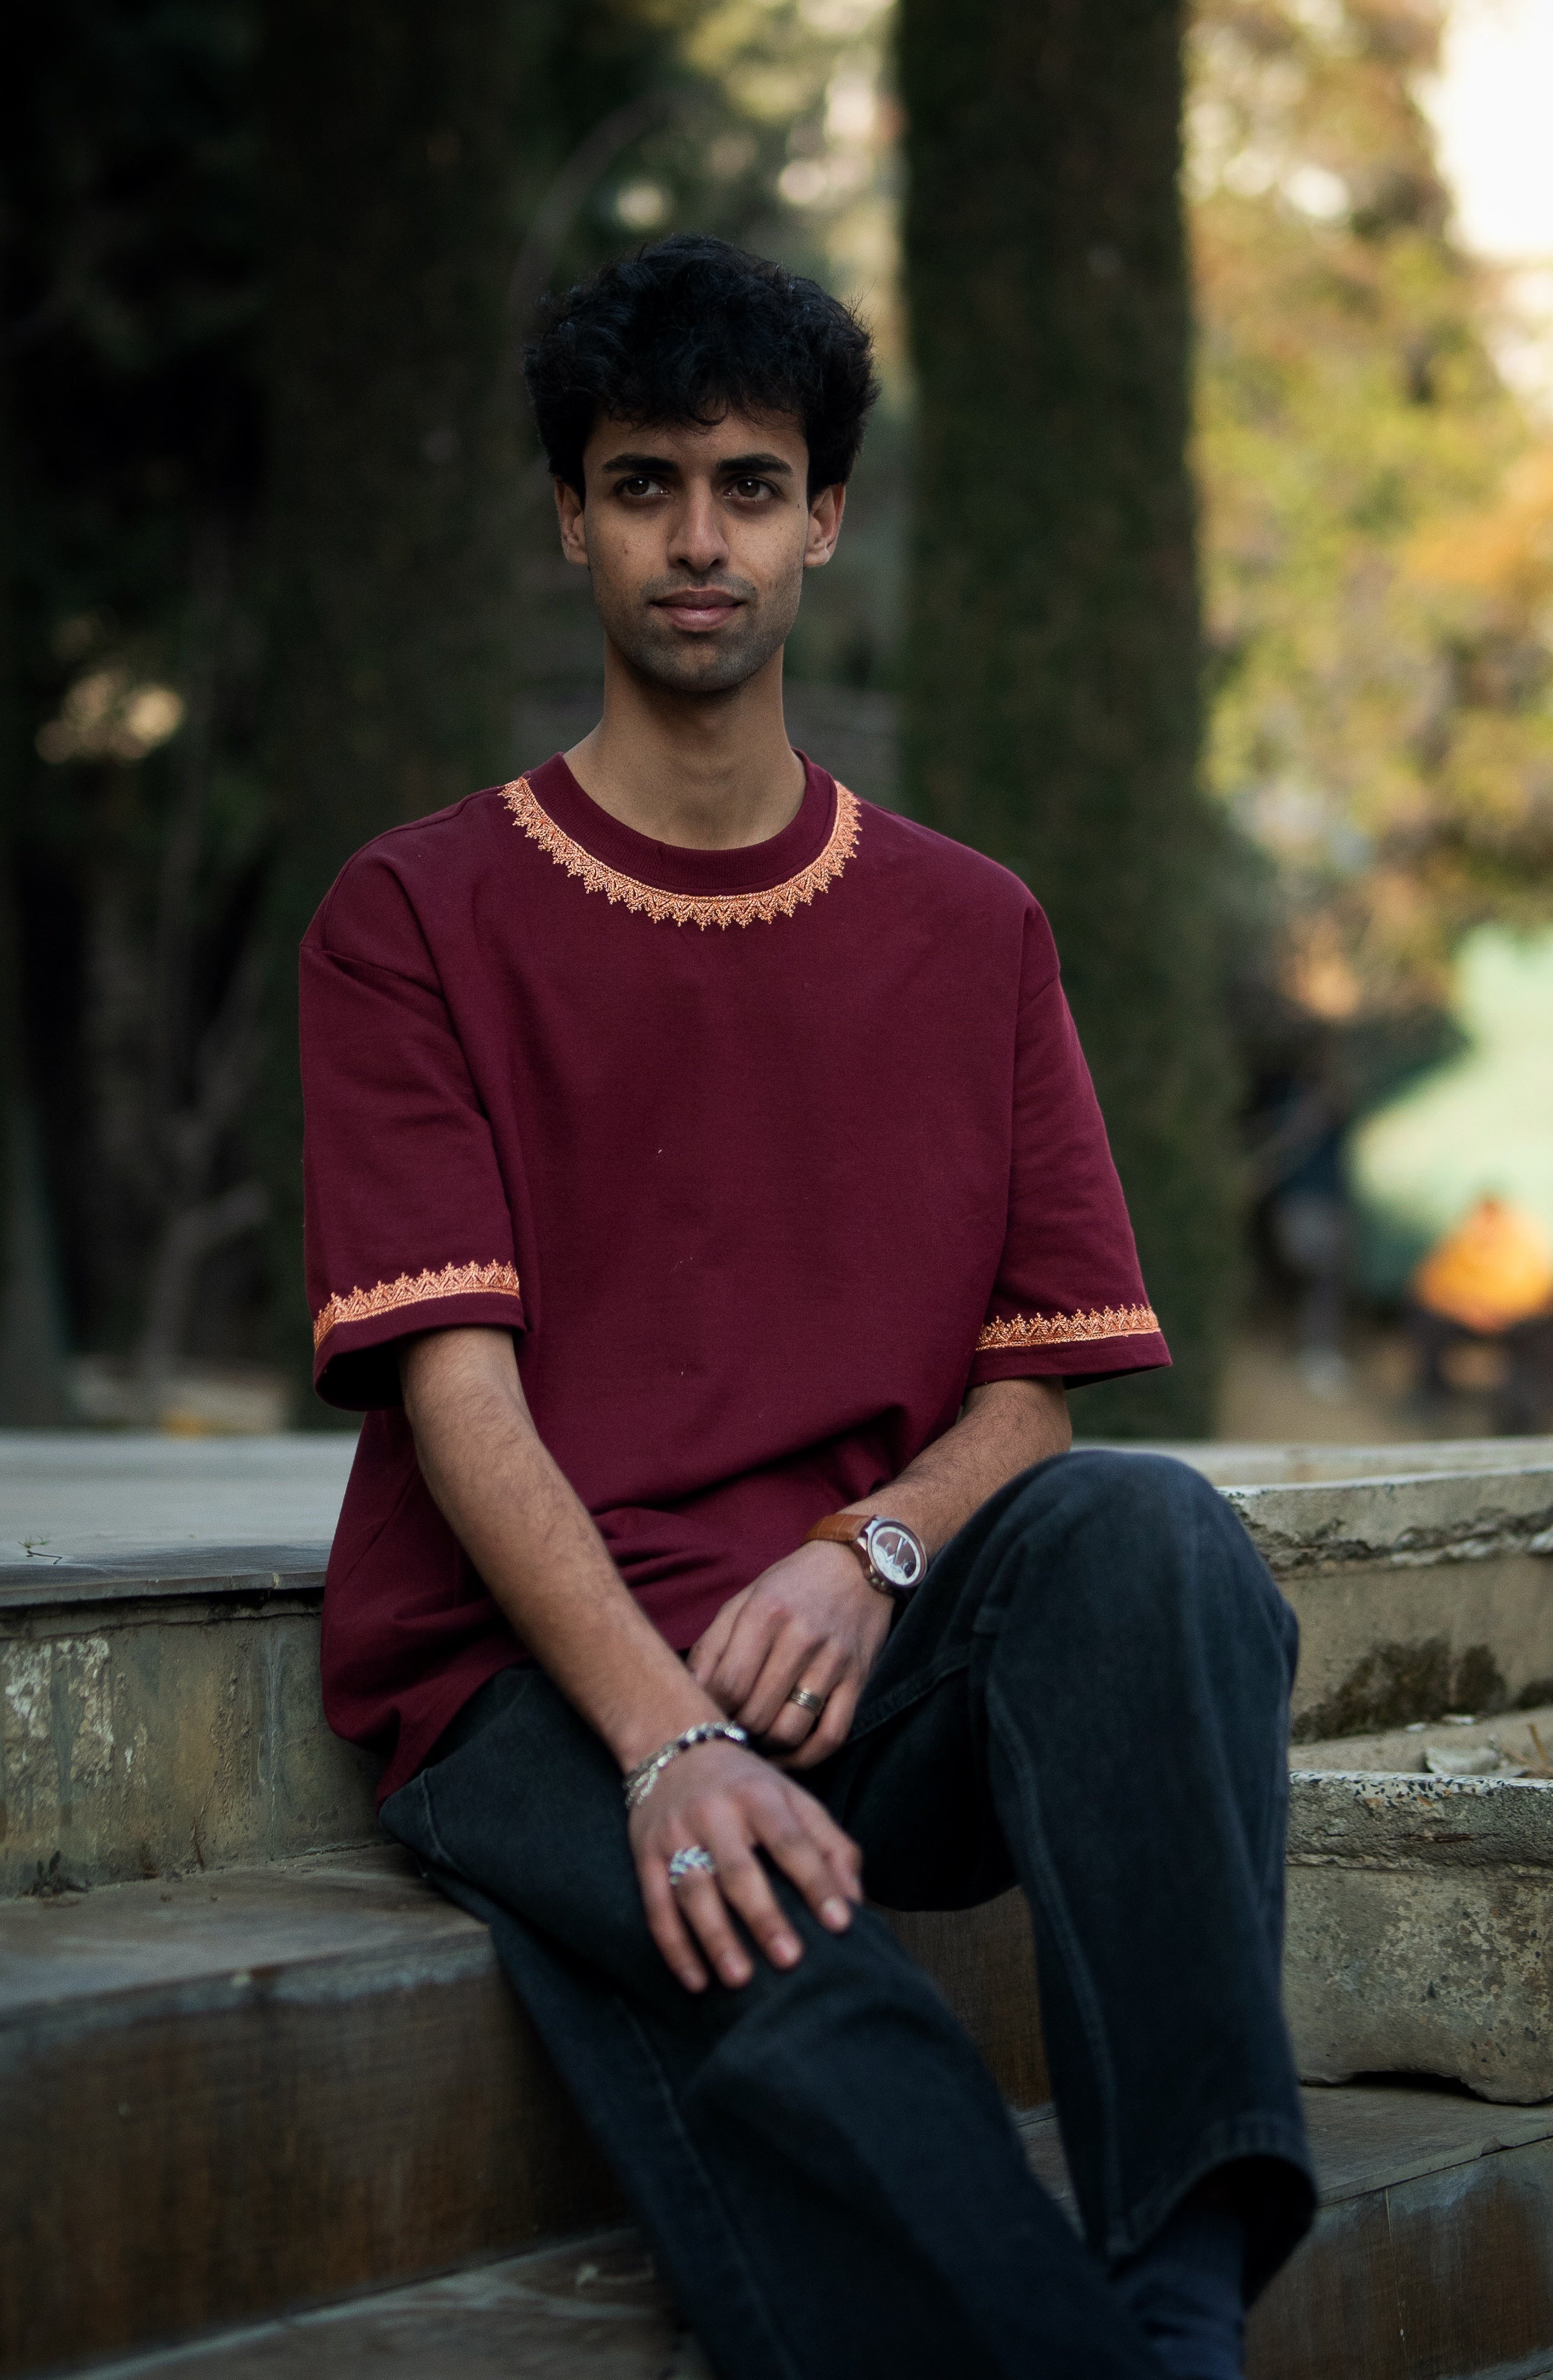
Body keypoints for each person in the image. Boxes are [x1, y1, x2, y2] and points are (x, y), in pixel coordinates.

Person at [299, 235, 1313, 2380]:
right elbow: (459, 1403)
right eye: (645, 482)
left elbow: (1046, 1378)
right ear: (569, 515)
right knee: (802, 1961)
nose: (698, 537)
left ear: (824, 518)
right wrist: (661, 1737)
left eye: (750, 485)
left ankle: (1187, 2303)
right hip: (529, 1681)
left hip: (861, 1661)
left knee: (1161, 1541)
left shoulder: (970, 926)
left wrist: (876, 1550)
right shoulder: (413, 912)